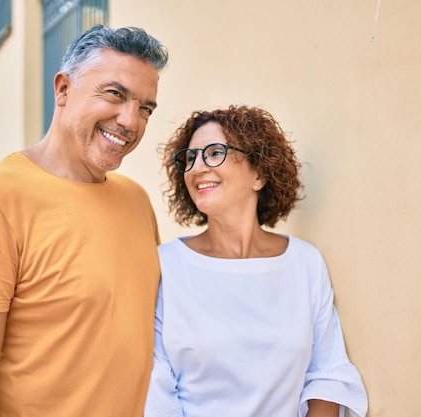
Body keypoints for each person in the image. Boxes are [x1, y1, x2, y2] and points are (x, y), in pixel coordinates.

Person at [0, 25, 168, 417]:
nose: (131, 121)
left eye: (145, 108)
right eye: (114, 94)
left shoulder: (136, 200)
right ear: (62, 90)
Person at [144, 105, 368, 417]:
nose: (196, 168)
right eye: (190, 158)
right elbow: (156, 390)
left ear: (260, 174)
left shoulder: (304, 263)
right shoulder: (164, 266)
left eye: (213, 153)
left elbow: (327, 375)